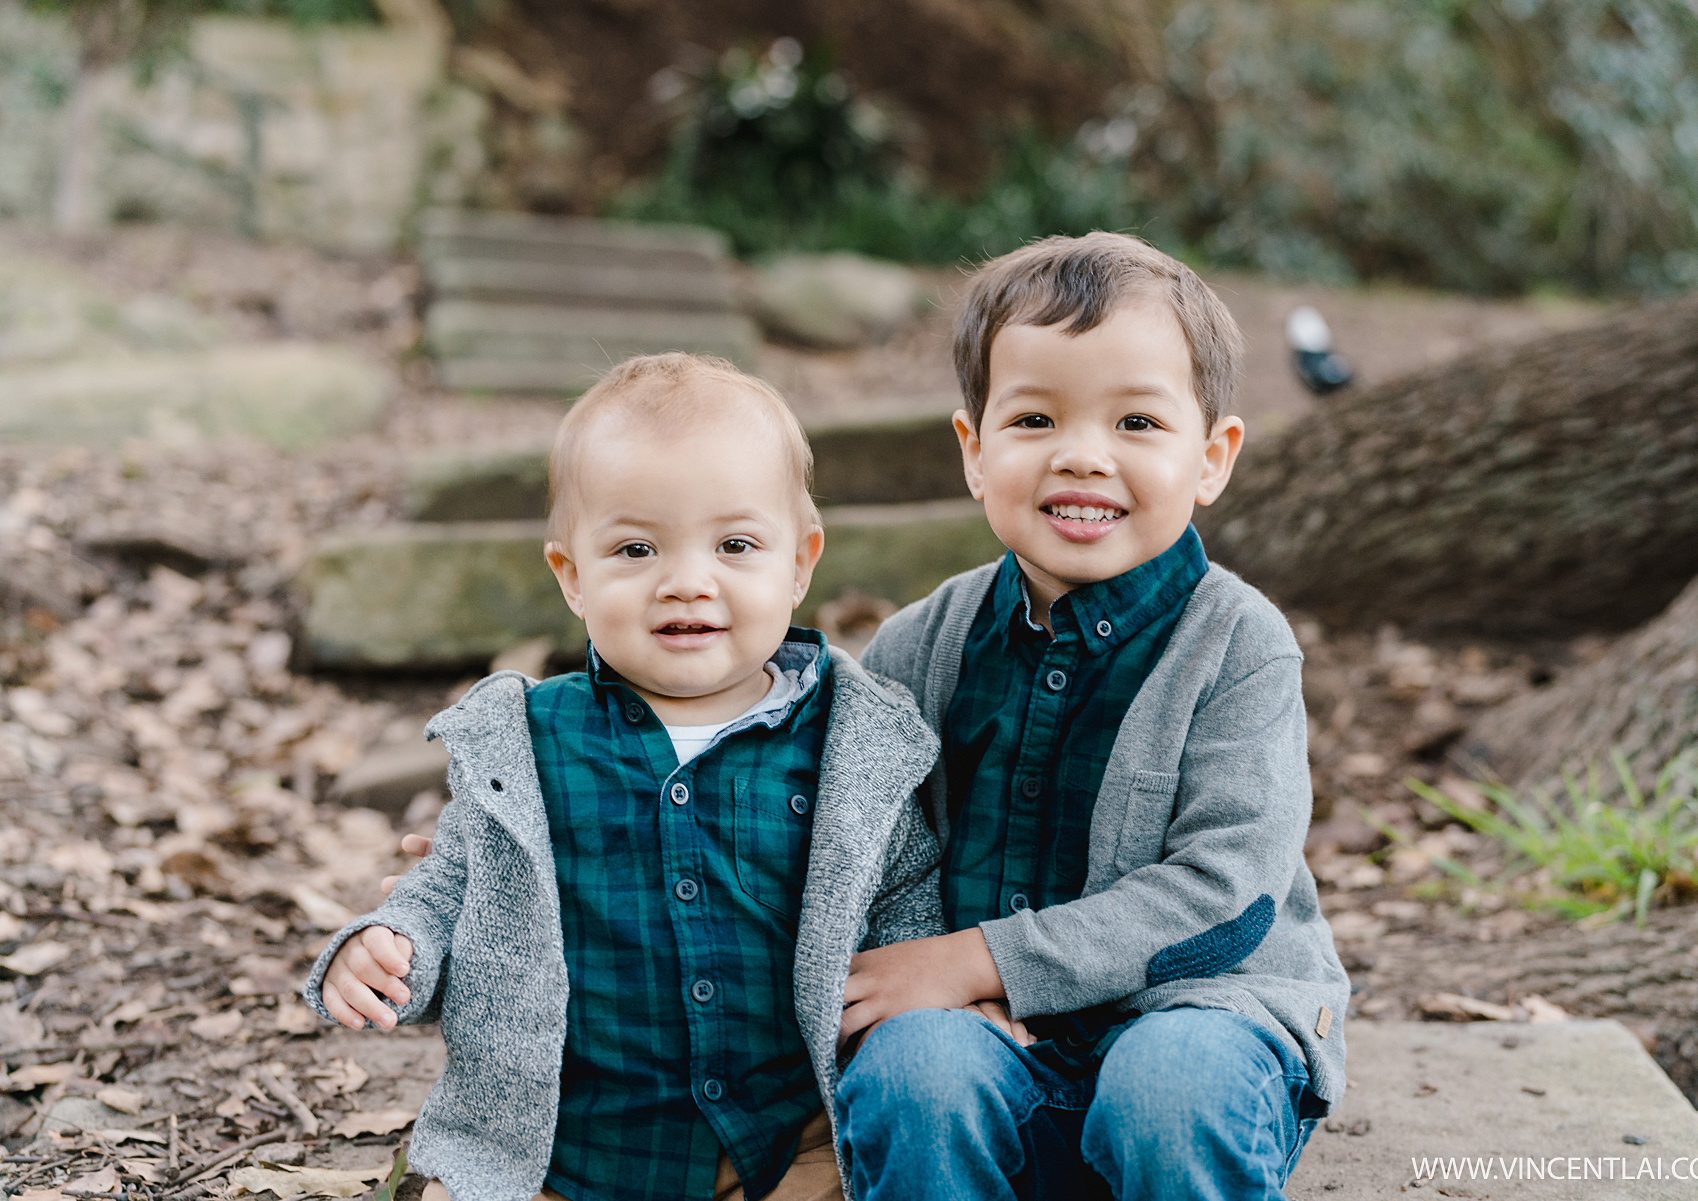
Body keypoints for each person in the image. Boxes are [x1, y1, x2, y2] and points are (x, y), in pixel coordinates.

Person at [302, 353, 955, 1201]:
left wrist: (931, 996)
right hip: (575, 1150)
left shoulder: (852, 746)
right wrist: (392, 946)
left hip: (783, 1147)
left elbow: (904, 891)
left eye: (735, 544)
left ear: (800, 562)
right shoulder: (528, 746)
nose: (688, 580)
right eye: (637, 547)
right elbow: (450, 883)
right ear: (572, 576)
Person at [830, 232, 1351, 1201]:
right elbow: (858, 853)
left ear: (1212, 456)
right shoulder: (914, 646)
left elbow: (1227, 894)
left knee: (1167, 1086)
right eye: (1034, 418)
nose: (1082, 456)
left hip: (1203, 1022)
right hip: (986, 1053)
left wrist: (980, 958)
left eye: (1137, 424)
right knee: (914, 1074)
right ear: (975, 451)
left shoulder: (1238, 643)